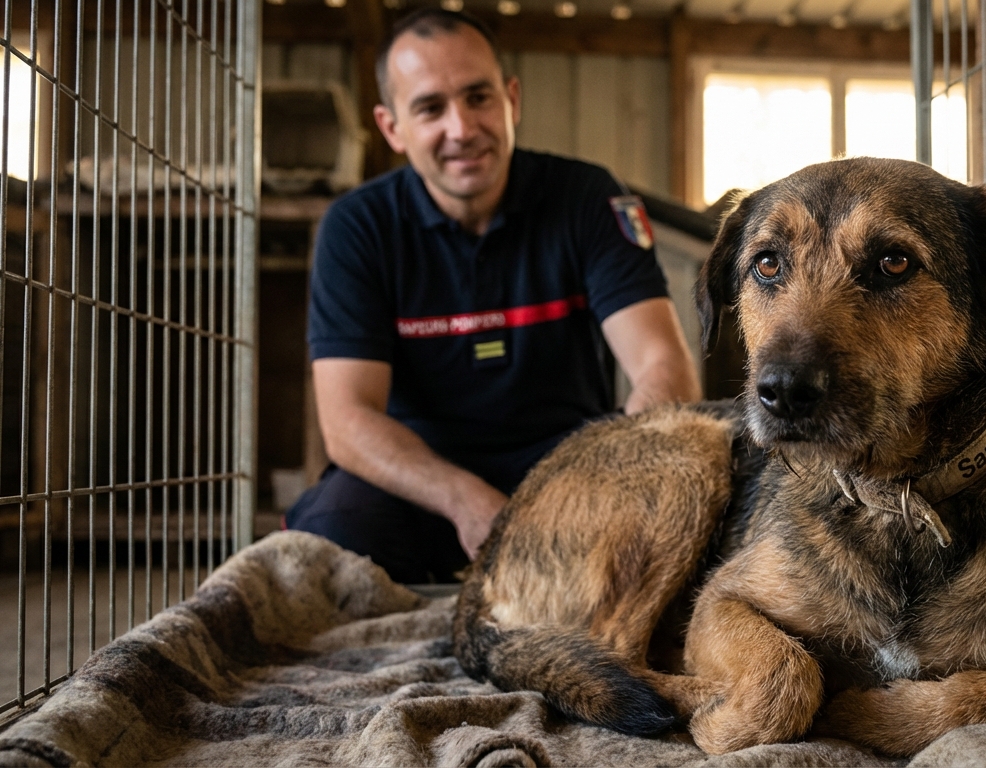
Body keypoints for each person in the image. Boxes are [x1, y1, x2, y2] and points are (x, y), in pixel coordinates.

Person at [286, 8, 702, 584]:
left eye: (478, 98)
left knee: (698, 517)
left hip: (571, 471)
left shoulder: (588, 198)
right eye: (431, 108)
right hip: (422, 479)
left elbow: (664, 367)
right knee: (329, 538)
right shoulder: (356, 226)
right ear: (391, 127)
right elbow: (347, 419)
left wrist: (604, 482)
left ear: (512, 100)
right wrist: (466, 500)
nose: (461, 128)